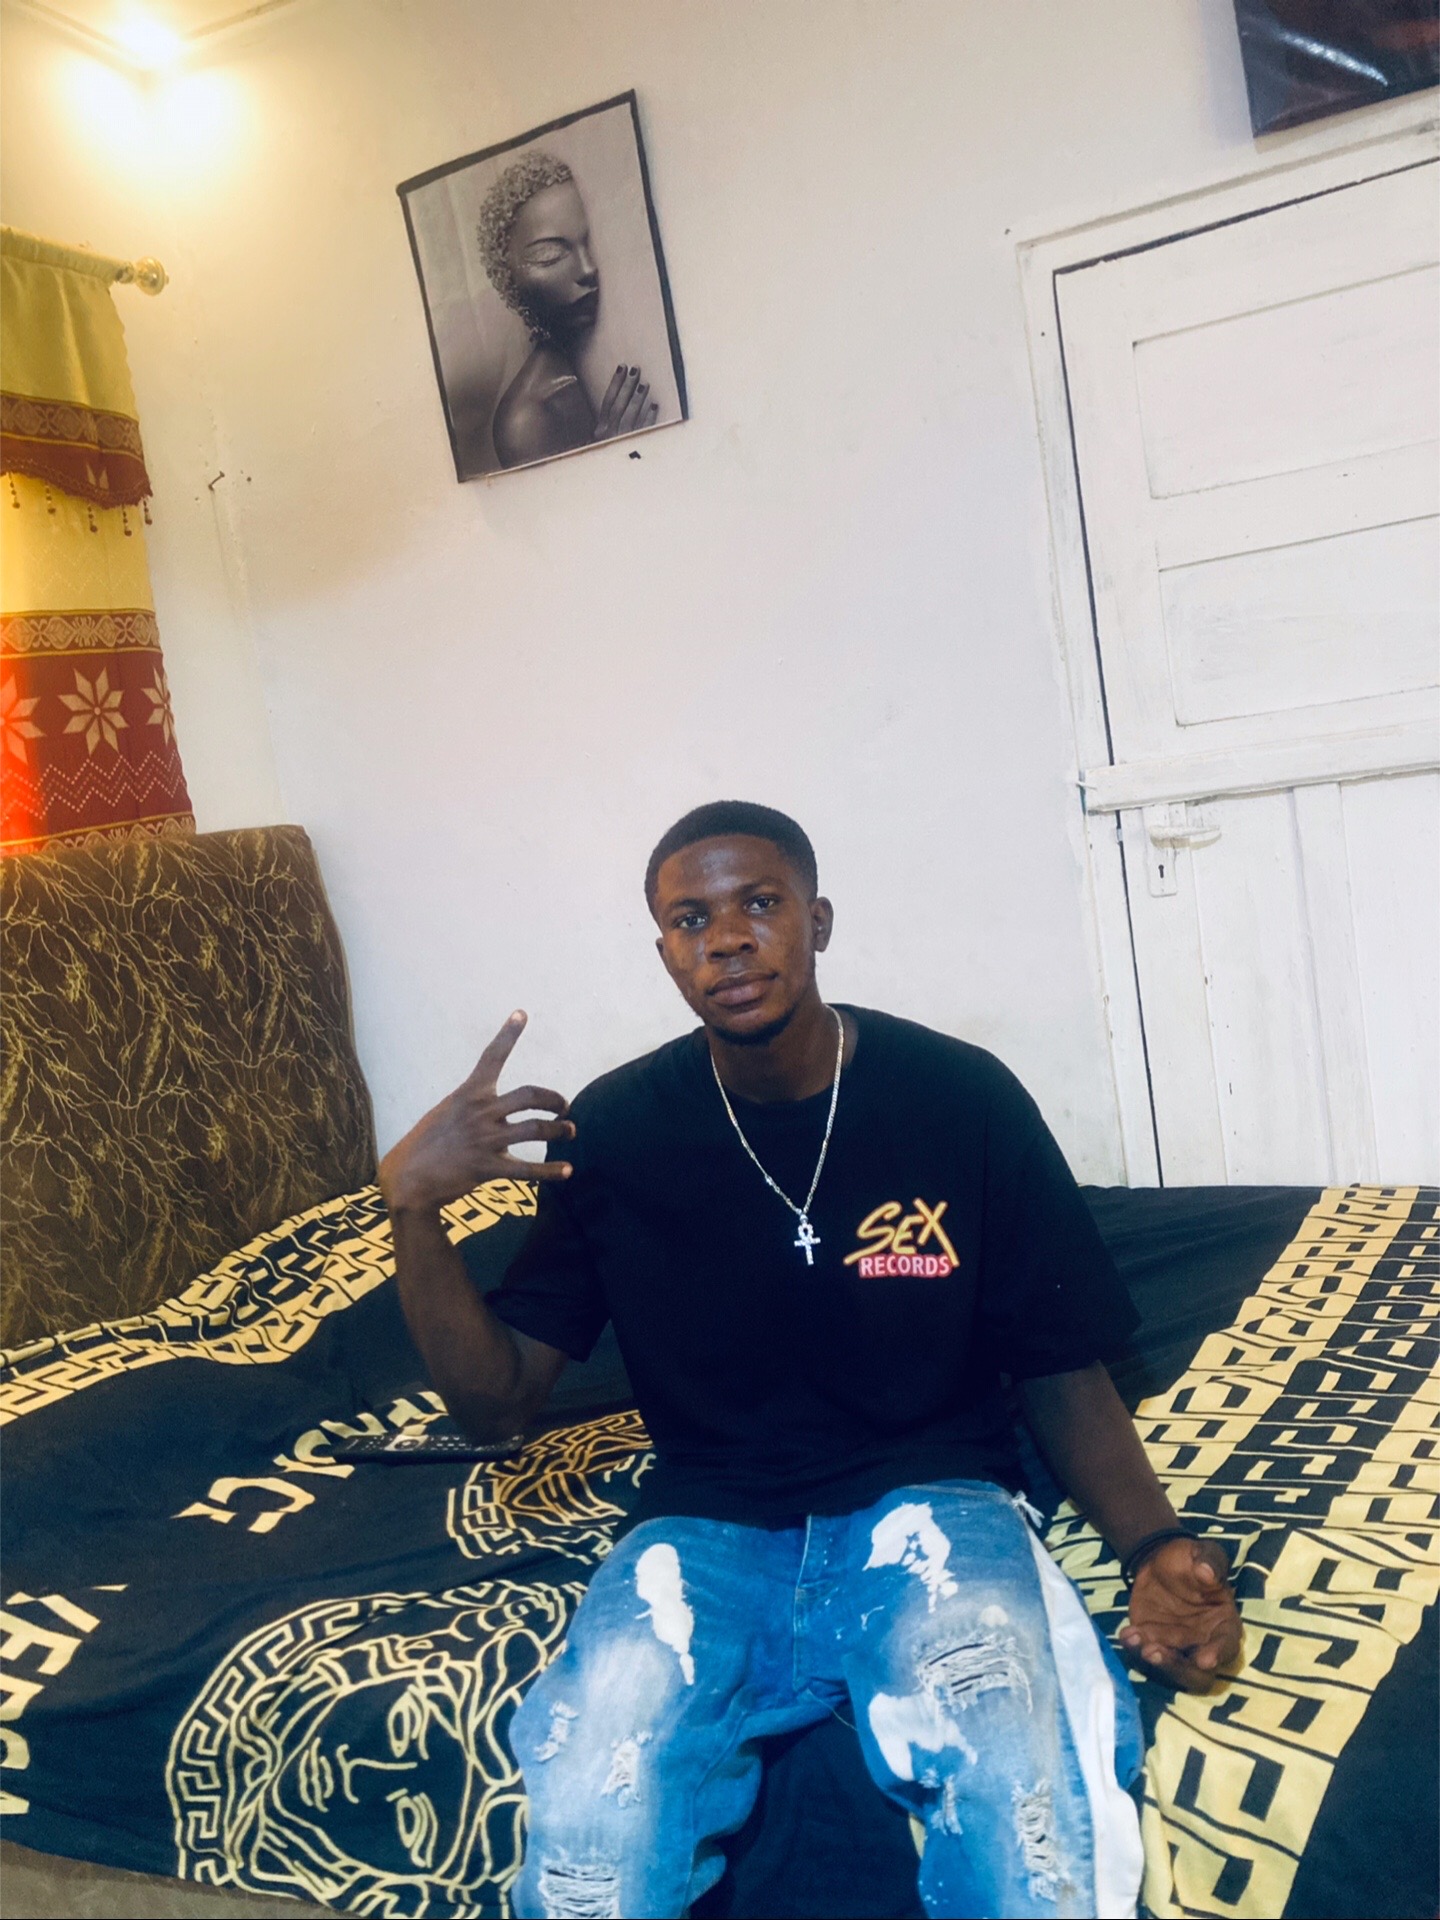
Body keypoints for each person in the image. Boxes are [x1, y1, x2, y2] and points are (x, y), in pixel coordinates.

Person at [380, 800, 1243, 1920]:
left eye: (760, 904)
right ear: (665, 954)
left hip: (934, 1502)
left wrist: (1155, 1544)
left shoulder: (958, 1094)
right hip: (703, 1526)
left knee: (1025, 1813)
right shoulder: (621, 1127)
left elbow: (1059, 1362)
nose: (728, 940)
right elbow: (498, 1405)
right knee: (594, 1832)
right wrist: (410, 1210)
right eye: (692, 920)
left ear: (817, 921)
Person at [476, 150, 659, 468]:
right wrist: (608, 460)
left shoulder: (585, 365)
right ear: (507, 278)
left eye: (588, 244)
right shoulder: (524, 419)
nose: (588, 269)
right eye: (549, 255)